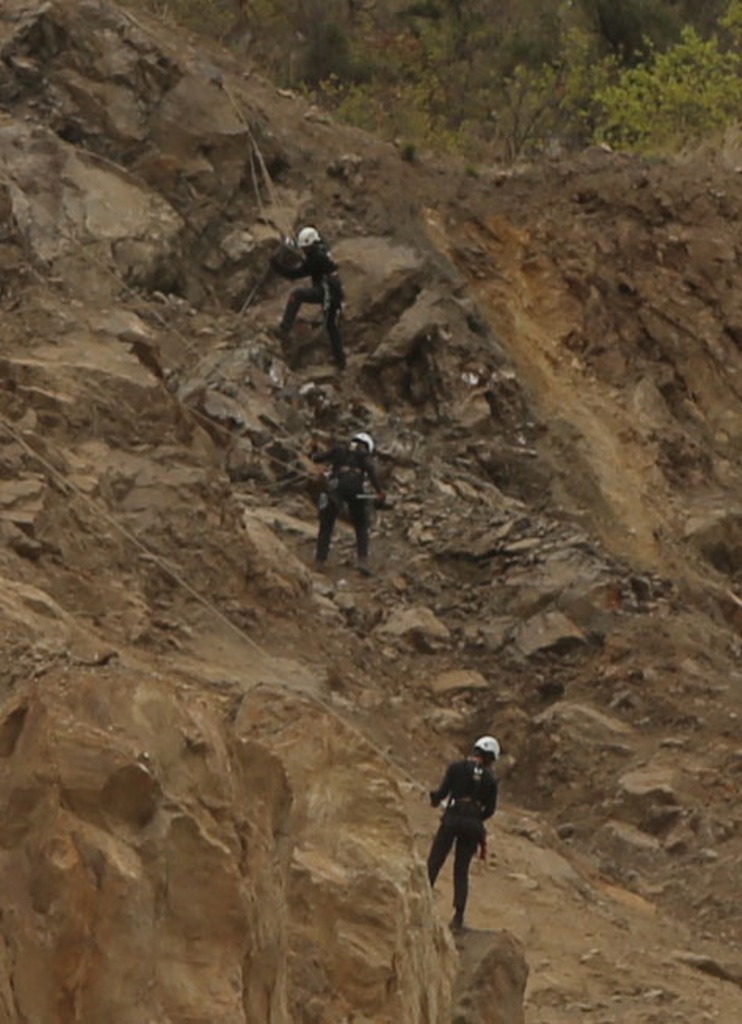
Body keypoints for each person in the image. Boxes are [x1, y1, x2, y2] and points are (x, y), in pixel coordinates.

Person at [427, 735, 500, 933]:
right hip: (472, 826)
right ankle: (458, 917)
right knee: (461, 870)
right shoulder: (491, 779)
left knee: (435, 861)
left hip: (451, 818)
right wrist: (475, 817)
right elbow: (490, 810)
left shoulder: (456, 768)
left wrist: (435, 799)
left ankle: (422, 900)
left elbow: (442, 793)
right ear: (491, 758)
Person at [269, 226, 346, 369]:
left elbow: (295, 274)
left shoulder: (316, 257)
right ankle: (340, 361)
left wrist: (276, 265)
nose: (304, 250)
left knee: (297, 295)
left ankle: (285, 328)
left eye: (305, 248)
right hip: (333, 291)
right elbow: (306, 263)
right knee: (332, 326)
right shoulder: (320, 251)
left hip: (328, 291)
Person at [310, 431, 385, 575]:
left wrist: (313, 449)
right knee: (361, 525)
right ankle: (362, 560)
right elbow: (371, 470)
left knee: (326, 525)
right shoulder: (364, 454)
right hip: (355, 488)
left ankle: (320, 561)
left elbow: (316, 458)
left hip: (335, 487)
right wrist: (379, 491)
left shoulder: (339, 448)